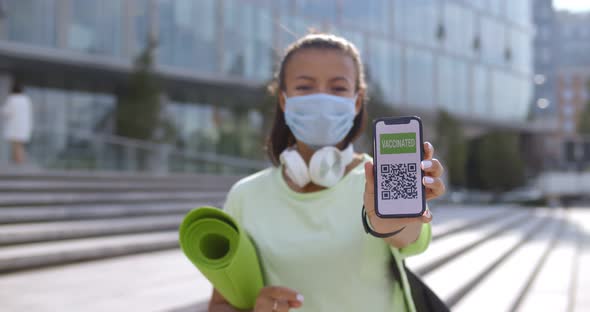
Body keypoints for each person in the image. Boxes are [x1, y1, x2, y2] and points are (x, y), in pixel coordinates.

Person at [208, 33, 446, 312]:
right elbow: (220, 304)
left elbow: (408, 235)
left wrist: (390, 221)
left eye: (337, 88)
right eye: (305, 87)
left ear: (357, 102)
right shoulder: (245, 197)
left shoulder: (378, 178)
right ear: (284, 100)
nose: (322, 99)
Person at [2, 80, 33, 165]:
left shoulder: (12, 99)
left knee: (16, 146)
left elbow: (7, 112)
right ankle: (18, 162)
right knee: (20, 146)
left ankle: (18, 163)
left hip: (15, 126)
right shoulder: (26, 100)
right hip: (24, 127)